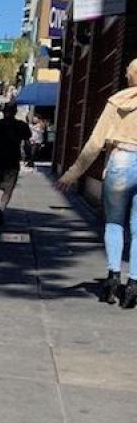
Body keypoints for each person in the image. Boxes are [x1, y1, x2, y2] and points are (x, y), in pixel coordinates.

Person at [57, 57, 137, 307]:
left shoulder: (116, 102)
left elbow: (95, 143)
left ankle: (113, 278)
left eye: (127, 73)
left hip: (120, 162)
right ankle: (134, 284)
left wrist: (72, 174)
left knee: (114, 224)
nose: (125, 76)